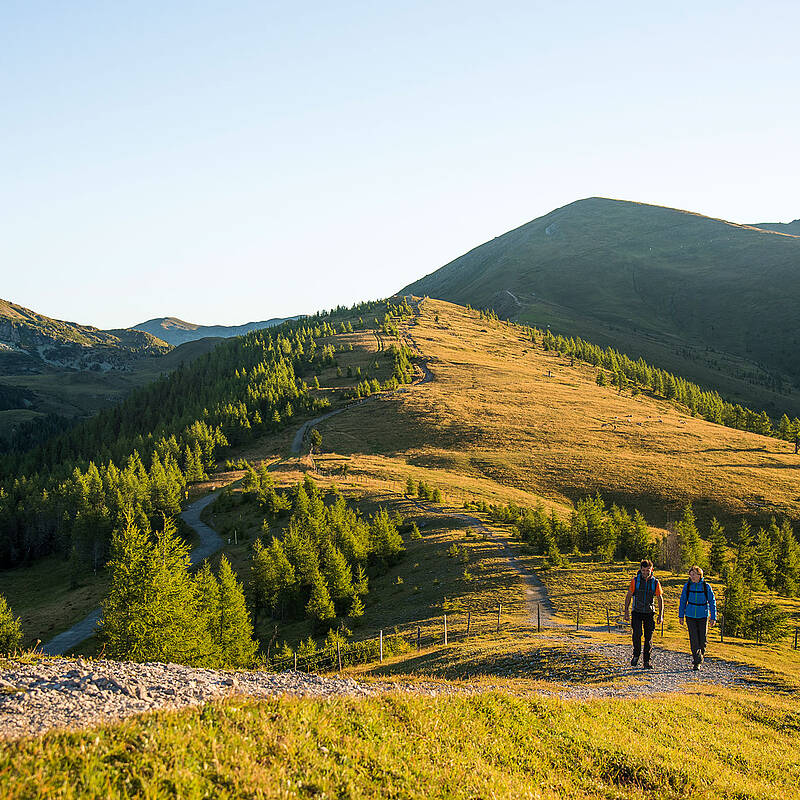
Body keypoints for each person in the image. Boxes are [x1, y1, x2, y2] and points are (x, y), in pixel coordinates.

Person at [624, 559, 664, 668]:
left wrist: (660, 615)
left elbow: (660, 598)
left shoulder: (655, 582)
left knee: (648, 637)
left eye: (647, 570)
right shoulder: (635, 581)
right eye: (643, 570)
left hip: (649, 613)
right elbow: (629, 595)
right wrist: (626, 611)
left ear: (652, 570)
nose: (645, 573)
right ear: (640, 570)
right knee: (637, 635)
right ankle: (636, 655)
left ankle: (647, 660)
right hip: (636, 612)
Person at [678, 565, 716, 670]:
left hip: (703, 615)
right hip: (690, 615)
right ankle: (697, 661)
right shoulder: (687, 586)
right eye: (691, 575)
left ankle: (699, 657)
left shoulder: (706, 587)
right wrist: (681, 616)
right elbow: (682, 601)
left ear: (700, 575)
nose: (692, 577)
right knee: (694, 639)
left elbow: (712, 602)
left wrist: (713, 617)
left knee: (703, 640)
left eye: (694, 574)